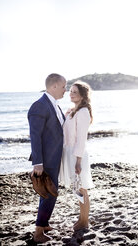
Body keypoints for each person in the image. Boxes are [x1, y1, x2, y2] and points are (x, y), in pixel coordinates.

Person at [28, 73, 66, 243]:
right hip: (45, 160)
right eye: (64, 86)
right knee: (50, 193)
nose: (66, 90)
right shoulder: (40, 105)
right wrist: (38, 163)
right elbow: (35, 136)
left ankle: (44, 223)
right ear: (54, 86)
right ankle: (38, 232)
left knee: (48, 192)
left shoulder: (55, 105)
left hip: (55, 157)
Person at [59, 81, 94, 231]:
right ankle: (82, 218)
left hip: (76, 154)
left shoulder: (83, 112)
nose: (71, 93)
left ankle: (84, 221)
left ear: (82, 95)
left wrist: (78, 161)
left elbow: (81, 139)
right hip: (69, 152)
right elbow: (65, 132)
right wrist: (66, 116)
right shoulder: (74, 111)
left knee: (81, 188)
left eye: (74, 91)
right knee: (77, 188)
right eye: (70, 91)